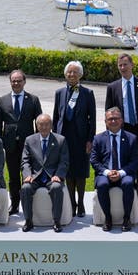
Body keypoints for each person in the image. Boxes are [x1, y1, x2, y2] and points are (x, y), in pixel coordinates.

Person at [105, 53, 138, 218]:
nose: (122, 68)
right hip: (122, 132)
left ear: (132, 65)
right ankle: (125, 201)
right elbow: (109, 111)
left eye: (125, 64)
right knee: (124, 166)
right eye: (120, 65)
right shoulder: (113, 87)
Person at [0, 69, 42, 214]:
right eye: (13, 81)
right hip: (10, 145)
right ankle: (14, 204)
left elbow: (39, 123)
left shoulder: (33, 99)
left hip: (28, 145)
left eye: (18, 81)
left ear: (24, 82)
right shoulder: (3, 100)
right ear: (10, 82)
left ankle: (28, 204)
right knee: (13, 176)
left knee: (28, 175)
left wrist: (38, 142)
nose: (16, 83)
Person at [53, 61, 95, 218]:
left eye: (75, 72)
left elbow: (92, 119)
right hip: (64, 137)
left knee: (80, 172)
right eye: (69, 72)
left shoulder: (87, 93)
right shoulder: (59, 93)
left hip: (81, 138)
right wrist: (55, 137)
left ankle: (81, 202)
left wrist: (90, 139)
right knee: (68, 171)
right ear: (65, 74)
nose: (72, 75)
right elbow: (56, 116)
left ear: (80, 75)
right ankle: (71, 203)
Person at [90, 107, 138, 232]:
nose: (113, 121)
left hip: (124, 173)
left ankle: (126, 218)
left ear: (121, 120)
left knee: (128, 183)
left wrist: (121, 173)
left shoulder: (131, 138)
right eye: (110, 119)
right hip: (105, 173)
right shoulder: (98, 138)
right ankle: (108, 218)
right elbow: (94, 161)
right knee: (102, 184)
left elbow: (135, 161)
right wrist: (107, 172)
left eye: (116, 118)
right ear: (105, 121)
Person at [20, 114, 69, 233]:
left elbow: (64, 162)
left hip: (52, 177)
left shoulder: (60, 140)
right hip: (34, 177)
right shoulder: (29, 140)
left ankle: (56, 221)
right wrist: (27, 176)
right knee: (25, 188)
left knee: (57, 187)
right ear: (36, 126)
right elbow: (25, 161)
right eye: (41, 124)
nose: (44, 127)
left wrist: (58, 175)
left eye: (47, 124)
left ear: (51, 125)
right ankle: (28, 221)